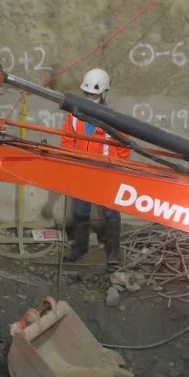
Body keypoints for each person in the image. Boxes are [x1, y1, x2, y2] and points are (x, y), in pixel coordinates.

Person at [62, 67, 130, 266]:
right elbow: (67, 140)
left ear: (104, 93)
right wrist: (70, 163)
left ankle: (114, 253)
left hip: (106, 174)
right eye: (87, 93)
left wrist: (117, 167)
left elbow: (125, 147)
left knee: (111, 213)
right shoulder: (75, 115)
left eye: (94, 94)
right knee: (80, 212)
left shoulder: (112, 119)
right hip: (82, 172)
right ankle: (80, 250)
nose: (90, 97)